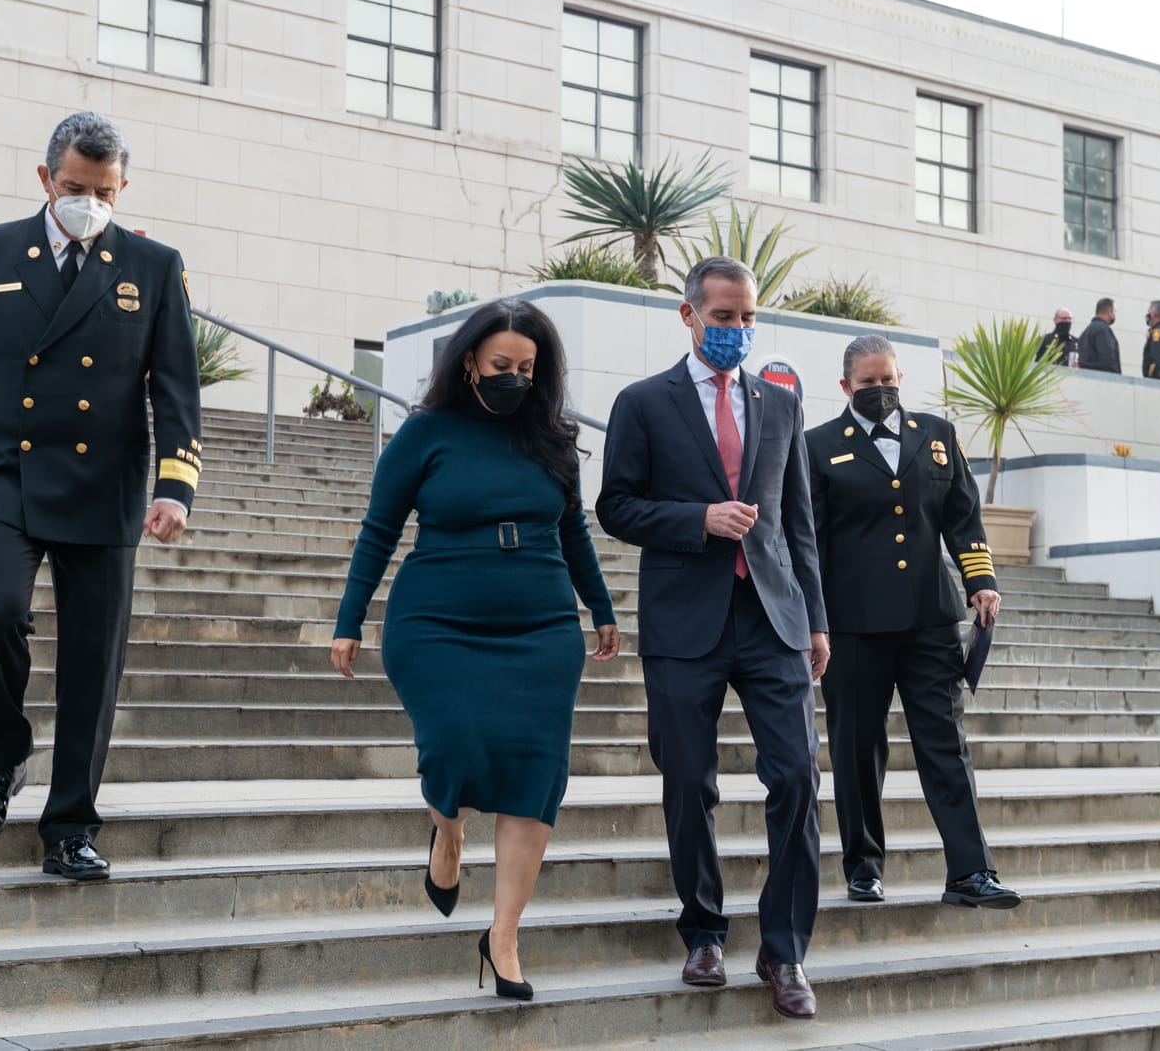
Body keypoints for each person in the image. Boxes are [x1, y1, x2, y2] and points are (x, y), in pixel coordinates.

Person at [0, 111, 202, 881]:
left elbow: (177, 390)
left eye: (105, 191)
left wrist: (176, 486)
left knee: (91, 664)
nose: (89, 202)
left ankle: (70, 824)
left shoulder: (154, 266)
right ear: (46, 179)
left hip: (104, 486)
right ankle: (1, 762)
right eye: (75, 187)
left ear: (122, 187)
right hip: (2, 469)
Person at [331, 298, 619, 1002]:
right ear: (468, 361)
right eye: (501, 365)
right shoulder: (425, 433)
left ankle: (504, 936)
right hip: (437, 620)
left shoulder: (552, 436)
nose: (515, 377)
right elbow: (378, 530)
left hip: (542, 625)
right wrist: (349, 619)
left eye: (528, 367)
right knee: (453, 749)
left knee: (535, 774)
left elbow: (575, 531)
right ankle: (448, 835)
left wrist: (601, 606)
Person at [596, 256, 829, 1021]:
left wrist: (817, 618)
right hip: (684, 622)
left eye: (747, 318)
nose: (737, 331)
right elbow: (617, 507)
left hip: (773, 619)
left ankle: (785, 946)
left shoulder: (780, 405)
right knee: (689, 780)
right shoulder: (642, 403)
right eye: (723, 317)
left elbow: (799, 523)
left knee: (796, 777)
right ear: (689, 314)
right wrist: (696, 520)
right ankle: (702, 930)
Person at [806, 335, 1021, 911]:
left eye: (890, 381)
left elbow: (963, 516)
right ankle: (864, 867)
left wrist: (980, 580)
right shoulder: (819, 446)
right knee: (856, 749)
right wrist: (812, 618)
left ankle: (970, 872)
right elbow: (810, 542)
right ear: (846, 386)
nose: (882, 392)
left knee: (945, 743)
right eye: (870, 383)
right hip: (853, 625)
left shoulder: (937, 436)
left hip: (929, 618)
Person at [1076, 297, 1121, 373]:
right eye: (1115, 311)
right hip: (1103, 381)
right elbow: (1108, 363)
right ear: (1110, 311)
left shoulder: (1086, 331)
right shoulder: (1103, 330)